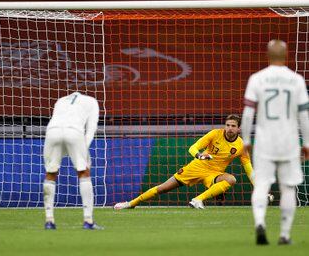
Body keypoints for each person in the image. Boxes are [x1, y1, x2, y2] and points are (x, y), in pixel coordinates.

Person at [242, 39, 309, 245]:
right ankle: (284, 234)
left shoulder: (257, 78)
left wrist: (245, 139)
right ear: (287, 55)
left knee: (261, 184)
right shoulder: (296, 80)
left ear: (267, 56)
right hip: (288, 141)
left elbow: (247, 114)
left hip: (264, 140)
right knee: (288, 187)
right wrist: (306, 141)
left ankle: (260, 222)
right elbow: (304, 114)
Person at [114, 114, 256, 210]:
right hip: (196, 167)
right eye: (227, 125)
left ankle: (198, 200)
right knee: (162, 188)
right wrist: (199, 156)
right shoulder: (214, 134)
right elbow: (192, 147)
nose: (229, 128)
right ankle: (131, 203)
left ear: (239, 128)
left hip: (214, 174)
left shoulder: (241, 146)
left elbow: (249, 169)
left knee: (231, 179)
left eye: (233, 126)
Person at [42, 92, 102, 230]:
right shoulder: (92, 102)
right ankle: (88, 221)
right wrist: (83, 152)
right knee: (83, 172)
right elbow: (91, 129)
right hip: (74, 131)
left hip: (52, 131)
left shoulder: (61, 100)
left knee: (51, 172)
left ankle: (49, 221)